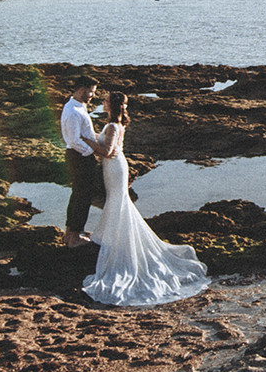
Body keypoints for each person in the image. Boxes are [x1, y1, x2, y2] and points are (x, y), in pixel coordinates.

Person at [82, 93, 210, 307]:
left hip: (114, 168)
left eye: (104, 101)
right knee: (117, 202)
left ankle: (117, 242)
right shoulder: (113, 125)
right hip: (114, 168)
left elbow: (108, 151)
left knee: (117, 201)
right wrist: (91, 135)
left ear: (111, 105)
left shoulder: (113, 126)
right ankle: (113, 236)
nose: (102, 103)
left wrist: (84, 139)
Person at [60, 76, 107, 247]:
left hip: (80, 155)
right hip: (79, 156)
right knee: (82, 197)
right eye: (91, 92)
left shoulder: (79, 107)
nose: (92, 96)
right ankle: (73, 238)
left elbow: (84, 134)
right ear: (81, 90)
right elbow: (73, 140)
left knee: (79, 195)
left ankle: (70, 233)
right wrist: (92, 150)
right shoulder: (72, 111)